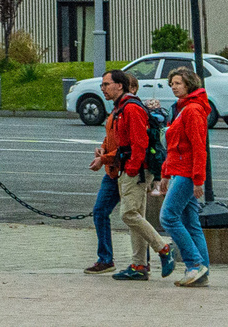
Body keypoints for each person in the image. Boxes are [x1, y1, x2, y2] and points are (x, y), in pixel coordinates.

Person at [86, 70, 166, 280]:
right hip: (118, 169)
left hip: (130, 170)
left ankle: (163, 250)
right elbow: (114, 138)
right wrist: (104, 152)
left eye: (106, 84)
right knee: (126, 215)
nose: (102, 88)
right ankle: (138, 266)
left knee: (129, 215)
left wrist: (130, 169)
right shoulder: (117, 110)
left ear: (121, 86)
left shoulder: (130, 108)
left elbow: (139, 144)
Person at [157, 67, 211, 286]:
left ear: (189, 84)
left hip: (186, 173)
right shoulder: (183, 109)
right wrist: (165, 174)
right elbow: (173, 146)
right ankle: (201, 272)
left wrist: (198, 180)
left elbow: (199, 147)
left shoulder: (192, 110)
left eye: (177, 83)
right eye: (171, 84)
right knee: (191, 223)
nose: (173, 87)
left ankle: (194, 265)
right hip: (180, 171)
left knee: (168, 217)